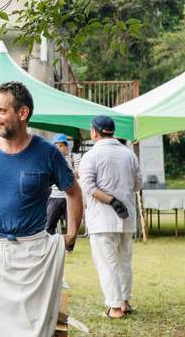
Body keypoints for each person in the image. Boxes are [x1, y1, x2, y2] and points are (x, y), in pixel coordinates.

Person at [0, 81, 84, 337]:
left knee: (31, 328)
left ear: (22, 113)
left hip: (32, 257)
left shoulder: (47, 153)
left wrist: (71, 234)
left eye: (1, 111)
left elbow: (73, 192)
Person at [79, 115, 142, 319]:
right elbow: (138, 184)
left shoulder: (90, 156)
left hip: (102, 218)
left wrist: (111, 200)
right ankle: (124, 302)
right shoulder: (129, 155)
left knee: (107, 264)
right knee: (124, 261)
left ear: (95, 132)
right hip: (127, 218)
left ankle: (115, 307)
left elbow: (88, 186)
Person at [46, 134, 74, 235]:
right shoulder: (51, 160)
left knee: (71, 225)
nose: (58, 148)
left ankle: (68, 249)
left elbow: (79, 174)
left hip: (70, 196)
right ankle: (49, 246)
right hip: (55, 197)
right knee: (49, 225)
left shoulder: (74, 158)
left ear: (66, 146)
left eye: (61, 145)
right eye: (56, 146)